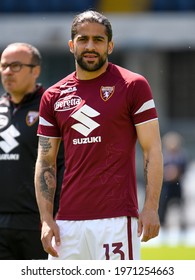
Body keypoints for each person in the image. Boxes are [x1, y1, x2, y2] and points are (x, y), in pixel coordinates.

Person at [34, 10, 163, 260]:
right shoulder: (52, 96)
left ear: (110, 46)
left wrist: (150, 207)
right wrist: (46, 218)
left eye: (98, 40)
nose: (90, 46)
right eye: (83, 39)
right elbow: (45, 161)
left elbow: (152, 150)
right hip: (66, 224)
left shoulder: (133, 85)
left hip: (115, 221)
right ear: (72, 45)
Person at [0, 42, 64, 260]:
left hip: (38, 224)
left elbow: (63, 164)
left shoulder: (52, 107)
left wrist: (54, 216)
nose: (8, 72)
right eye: (4, 66)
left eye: (16, 66)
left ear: (35, 70)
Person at [158, 131, 187, 230]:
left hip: (176, 184)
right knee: (163, 205)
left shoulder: (181, 156)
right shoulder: (163, 156)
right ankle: (161, 223)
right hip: (166, 185)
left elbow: (183, 169)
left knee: (180, 205)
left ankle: (183, 224)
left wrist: (176, 173)